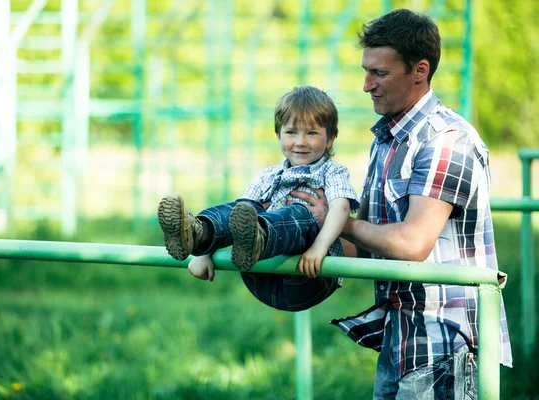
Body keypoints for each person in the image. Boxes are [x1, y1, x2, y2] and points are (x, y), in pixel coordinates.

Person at [291, 9, 512, 399]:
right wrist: (296, 243)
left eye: (379, 73)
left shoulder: (446, 139)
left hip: (445, 342)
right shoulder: (388, 140)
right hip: (399, 336)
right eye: (365, 70)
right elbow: (369, 240)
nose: (366, 85)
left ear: (419, 71)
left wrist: (337, 220)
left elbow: (412, 243)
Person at [157, 85, 359, 312]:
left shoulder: (333, 172)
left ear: (330, 138)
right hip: (259, 274)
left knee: (302, 212)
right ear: (278, 135)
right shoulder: (269, 176)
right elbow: (237, 215)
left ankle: (260, 237)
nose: (300, 141)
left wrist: (320, 248)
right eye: (291, 132)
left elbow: (340, 209)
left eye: (311, 133)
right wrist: (205, 252)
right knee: (247, 206)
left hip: (307, 278)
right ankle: (200, 235)